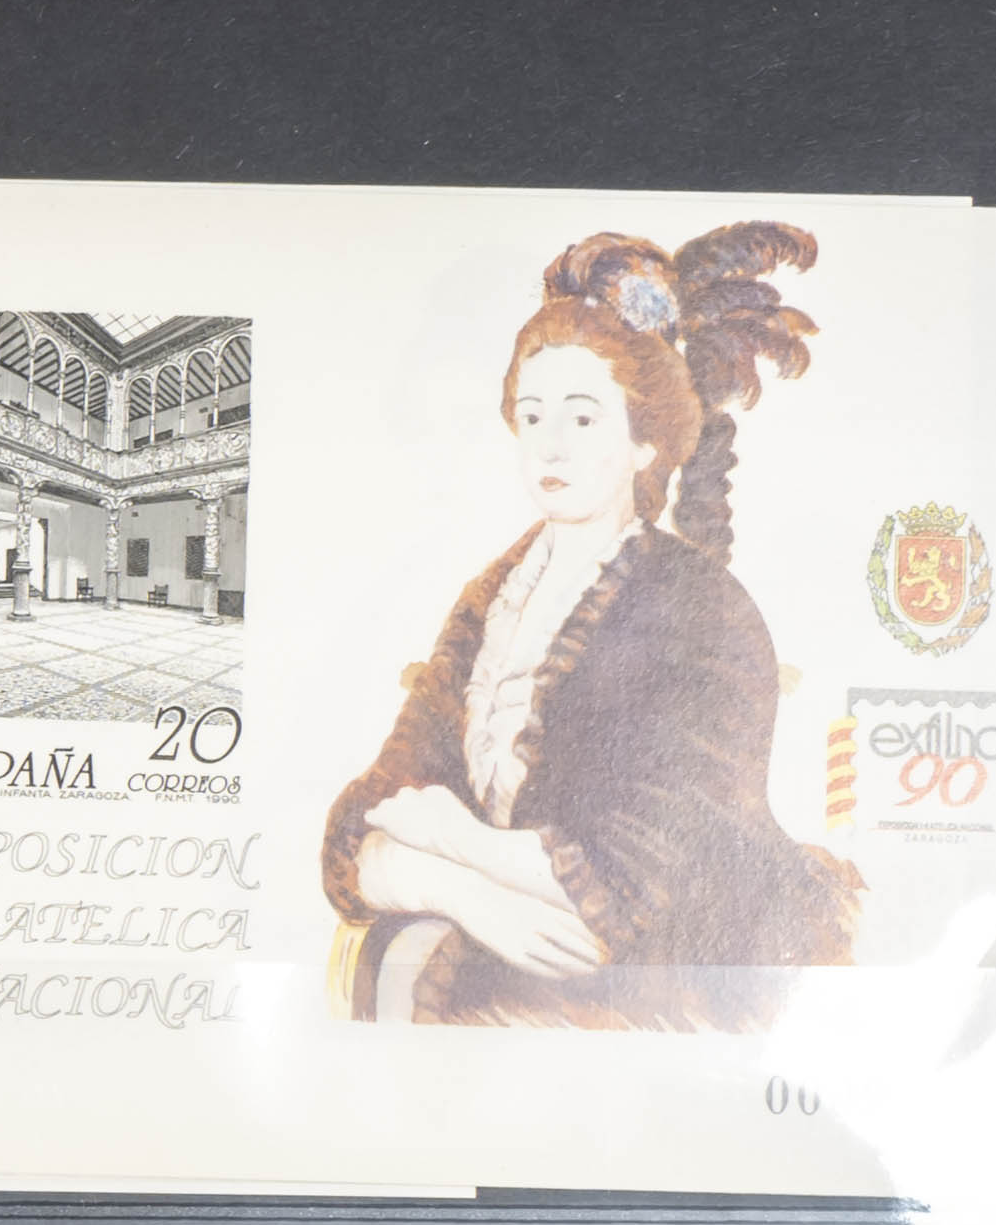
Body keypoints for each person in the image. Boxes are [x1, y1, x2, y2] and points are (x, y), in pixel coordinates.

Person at [327, 228, 861, 1029]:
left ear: (644, 440)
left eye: (581, 418)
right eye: (531, 414)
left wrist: (445, 836)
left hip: (669, 989)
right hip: (508, 944)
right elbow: (361, 822)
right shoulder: (492, 600)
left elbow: (628, 885)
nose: (549, 444)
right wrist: (462, 892)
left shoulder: (701, 612)